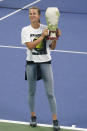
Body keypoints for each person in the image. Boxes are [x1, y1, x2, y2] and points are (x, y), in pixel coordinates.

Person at [21, 6, 61, 131]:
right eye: (30, 13)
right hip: (31, 63)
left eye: (34, 13)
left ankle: (55, 119)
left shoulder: (46, 28)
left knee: (50, 93)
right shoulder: (25, 30)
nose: (32, 15)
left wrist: (56, 37)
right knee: (31, 92)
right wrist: (42, 37)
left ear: (39, 16)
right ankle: (33, 116)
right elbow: (30, 46)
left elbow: (53, 47)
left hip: (45, 63)